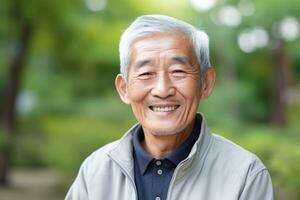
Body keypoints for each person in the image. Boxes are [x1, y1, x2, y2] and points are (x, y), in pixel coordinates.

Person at [65, 15, 274, 200]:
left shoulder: (245, 174)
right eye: (146, 73)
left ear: (205, 83)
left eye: (178, 71)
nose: (163, 89)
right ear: (124, 88)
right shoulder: (95, 171)